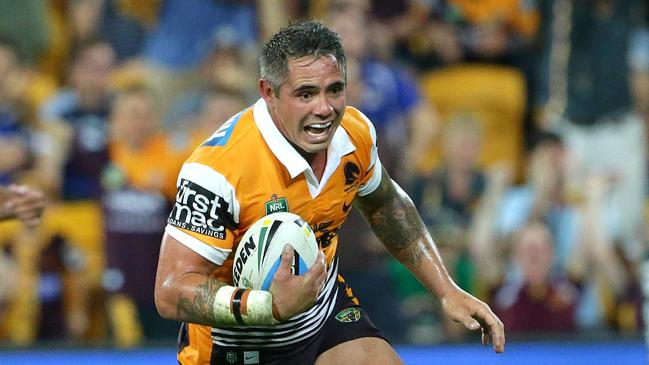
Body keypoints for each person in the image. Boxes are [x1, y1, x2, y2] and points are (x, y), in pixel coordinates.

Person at [154, 20, 504, 364]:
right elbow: (170, 291)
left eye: (334, 90)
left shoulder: (354, 134)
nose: (325, 109)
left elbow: (385, 202)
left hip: (322, 322)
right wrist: (267, 307)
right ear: (269, 92)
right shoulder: (217, 171)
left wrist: (446, 289)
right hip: (234, 346)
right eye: (306, 94)